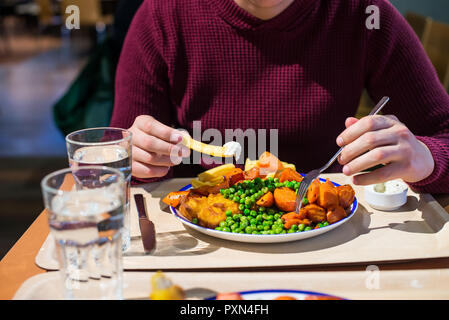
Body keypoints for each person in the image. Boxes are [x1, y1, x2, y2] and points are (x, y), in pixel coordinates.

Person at [110, 0, 449, 194]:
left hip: (331, 244)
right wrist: (135, 160)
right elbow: (114, 168)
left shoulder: (364, 13)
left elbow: (443, 134)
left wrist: (426, 159)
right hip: (203, 248)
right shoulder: (162, 15)